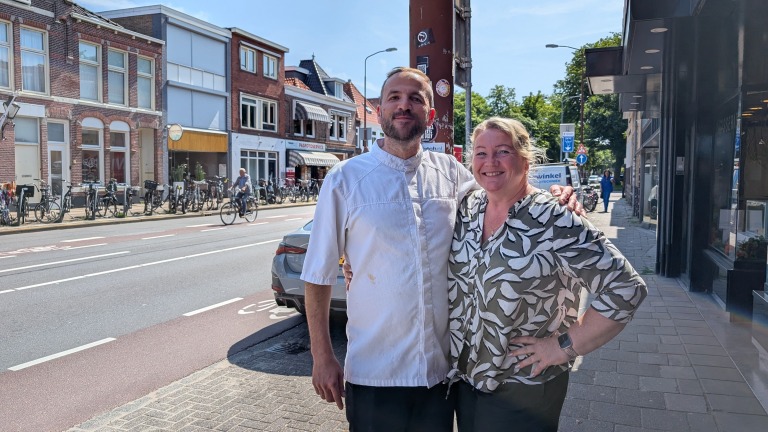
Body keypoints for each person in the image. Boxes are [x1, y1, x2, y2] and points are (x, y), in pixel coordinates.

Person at [301, 67, 580, 432]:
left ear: (430, 116)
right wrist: (322, 356)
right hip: (374, 374)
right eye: (395, 98)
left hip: (440, 377)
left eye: (416, 99)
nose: (404, 106)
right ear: (379, 109)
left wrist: (555, 196)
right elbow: (318, 274)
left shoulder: (452, 174)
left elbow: (503, 195)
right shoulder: (345, 179)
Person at [447, 117, 647, 432]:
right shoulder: (468, 209)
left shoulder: (554, 218)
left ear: (525, 160)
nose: (490, 162)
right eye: (480, 153)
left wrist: (564, 345)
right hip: (467, 384)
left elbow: (626, 288)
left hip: (525, 387)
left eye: (502, 151)